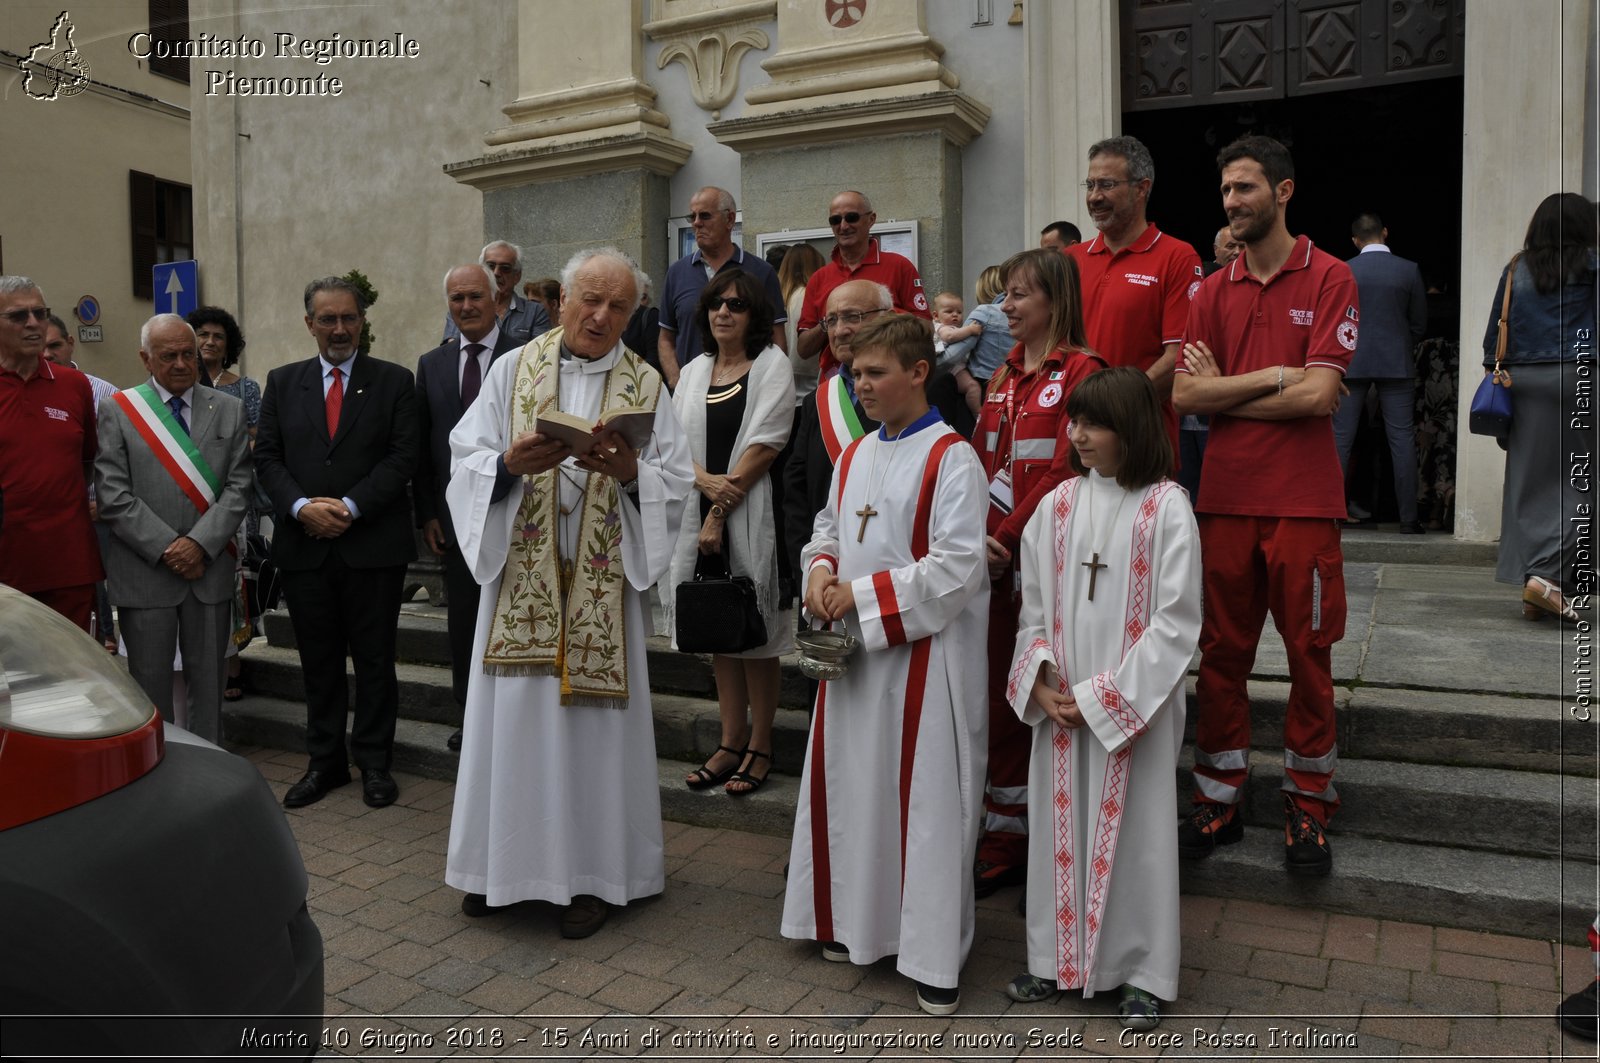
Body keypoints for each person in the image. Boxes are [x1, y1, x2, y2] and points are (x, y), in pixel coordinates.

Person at [443, 247, 693, 938]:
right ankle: (500, 871)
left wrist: (633, 475)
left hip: (600, 595)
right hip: (521, 587)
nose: (600, 315)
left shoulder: (647, 386)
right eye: (589, 298)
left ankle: (593, 877)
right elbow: (464, 457)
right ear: (562, 300)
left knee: (591, 741)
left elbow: (674, 486)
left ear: (634, 313)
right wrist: (503, 466)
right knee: (511, 730)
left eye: (618, 305)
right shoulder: (511, 370)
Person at [782, 312, 989, 1017]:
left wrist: (859, 596)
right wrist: (818, 570)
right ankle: (853, 924)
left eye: (874, 373)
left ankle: (932, 953)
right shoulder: (855, 454)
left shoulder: (952, 456)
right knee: (854, 788)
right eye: (854, 374)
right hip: (854, 661)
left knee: (924, 803)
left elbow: (958, 569)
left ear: (917, 372)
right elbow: (829, 526)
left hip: (923, 666)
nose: (860, 385)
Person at [1173, 134, 1358, 876]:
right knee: (1221, 653)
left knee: (1310, 656)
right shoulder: (1209, 292)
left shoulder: (1332, 275)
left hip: (1305, 504)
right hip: (1224, 499)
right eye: (1225, 191)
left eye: (1245, 188)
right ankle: (1219, 794)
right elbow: (1185, 394)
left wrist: (1236, 389)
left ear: (1283, 191)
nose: (1231, 202)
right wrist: (1281, 376)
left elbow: (1323, 395)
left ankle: (1309, 805)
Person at [1001, 366, 1201, 1030]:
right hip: (1060, 704)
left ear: (1132, 428)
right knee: (1057, 826)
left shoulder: (1166, 506)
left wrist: (1104, 696)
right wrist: (1041, 677)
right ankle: (1052, 958)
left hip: (1130, 706)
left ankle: (1142, 970)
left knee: (1138, 832)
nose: (1077, 434)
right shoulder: (1056, 507)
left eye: (1093, 423)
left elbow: (1177, 622)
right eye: (1074, 421)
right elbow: (1031, 609)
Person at [256, 277, 419, 810]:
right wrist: (303, 508)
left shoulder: (394, 382)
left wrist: (347, 508)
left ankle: (374, 762)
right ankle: (324, 763)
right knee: (318, 663)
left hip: (371, 546)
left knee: (375, 660)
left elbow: (401, 459)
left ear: (362, 320)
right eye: (328, 319)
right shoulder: (281, 383)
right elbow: (268, 460)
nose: (340, 328)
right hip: (305, 549)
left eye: (349, 317)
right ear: (310, 324)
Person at [971, 248, 1105, 899]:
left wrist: (1004, 534)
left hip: (1043, 564)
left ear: (1054, 298)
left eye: (1020, 295)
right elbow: (977, 463)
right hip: (994, 567)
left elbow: (1064, 467)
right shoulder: (1001, 373)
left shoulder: (1081, 369)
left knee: (1044, 694)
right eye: (1005, 296)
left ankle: (1050, 837)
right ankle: (1003, 832)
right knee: (1002, 695)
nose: (1007, 307)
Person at [95, 314, 253, 744]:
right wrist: (169, 547)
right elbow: (112, 494)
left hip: (208, 571)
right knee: (149, 687)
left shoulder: (228, 408)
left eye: (189, 353)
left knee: (209, 685)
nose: (182, 363)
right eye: (169, 356)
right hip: (147, 574)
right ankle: (159, 773)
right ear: (146, 358)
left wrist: (199, 545)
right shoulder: (119, 410)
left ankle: (209, 768)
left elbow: (240, 486)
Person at [668, 270, 795, 794]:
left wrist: (717, 513)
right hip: (694, 511)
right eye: (717, 303)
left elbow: (766, 444)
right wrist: (701, 485)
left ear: (754, 315)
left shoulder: (772, 366)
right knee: (718, 628)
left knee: (755, 632)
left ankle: (760, 745)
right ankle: (729, 740)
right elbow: (672, 445)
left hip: (750, 512)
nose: (725, 312)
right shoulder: (695, 370)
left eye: (737, 305)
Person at [415, 264, 526, 753]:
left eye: (475, 297)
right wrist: (429, 513)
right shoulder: (432, 364)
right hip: (456, 517)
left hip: (518, 512)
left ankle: (517, 716)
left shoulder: (525, 359)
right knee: (463, 621)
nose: (466, 307)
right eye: (457, 298)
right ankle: (470, 716)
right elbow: (426, 448)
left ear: (497, 298)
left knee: (515, 617)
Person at [1482, 192, 1596, 622]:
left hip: (1521, 381)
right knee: (1582, 478)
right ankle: (1546, 578)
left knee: (1528, 482)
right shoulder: (1593, 264)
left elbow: (1495, 332)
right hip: (1578, 378)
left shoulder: (1516, 267)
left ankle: (1541, 580)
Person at [1067, 136, 1203, 465]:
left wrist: (1109, 411)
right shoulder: (1070, 260)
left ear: (1142, 188)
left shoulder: (1177, 257)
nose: (1094, 197)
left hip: (1140, 443)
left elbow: (1179, 357)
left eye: (1107, 185)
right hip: (1072, 440)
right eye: (1090, 185)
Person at [0, 276, 101, 632]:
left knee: (72, 680)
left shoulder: (75, 386)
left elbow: (88, 460)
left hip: (68, 565)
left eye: (39, 313)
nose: (32, 323)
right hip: (6, 568)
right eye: (18, 316)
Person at [783, 280, 888, 604]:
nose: (840, 330)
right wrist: (810, 568)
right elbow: (797, 490)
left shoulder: (923, 388)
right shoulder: (819, 400)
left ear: (886, 317)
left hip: (889, 581)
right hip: (823, 579)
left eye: (853, 317)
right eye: (831, 320)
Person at [1333, 213, 1429, 533]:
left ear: (1355, 241)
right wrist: (1400, 344)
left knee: (1340, 439)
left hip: (1351, 361)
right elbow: (1418, 324)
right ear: (1385, 233)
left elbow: (1333, 321)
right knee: (1401, 439)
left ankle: (1330, 514)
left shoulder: (1342, 270)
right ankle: (1408, 520)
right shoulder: (1409, 269)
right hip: (1396, 363)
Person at [189, 305, 261, 698]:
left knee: (233, 584)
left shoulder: (244, 388)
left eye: (218, 336)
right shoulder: (179, 385)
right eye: (202, 335)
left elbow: (254, 440)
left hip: (232, 499)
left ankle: (233, 664)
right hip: (189, 499)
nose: (210, 342)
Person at [658, 186, 786, 389]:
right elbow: (666, 338)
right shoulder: (676, 273)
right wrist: (677, 382)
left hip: (745, 395)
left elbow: (777, 337)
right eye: (692, 217)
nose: (697, 223)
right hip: (689, 396)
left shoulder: (761, 272)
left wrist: (771, 386)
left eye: (705, 216)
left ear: (729, 220)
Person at [43, 313, 119, 650]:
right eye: (42, 347)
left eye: (54, 345)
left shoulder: (104, 394)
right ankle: (102, 637)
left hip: (100, 509)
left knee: (105, 580)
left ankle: (109, 637)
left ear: (70, 344)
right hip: (55, 518)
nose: (47, 354)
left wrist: (104, 503)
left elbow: (116, 457)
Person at [795, 190, 931, 375]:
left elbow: (926, 328)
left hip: (887, 379)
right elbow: (803, 349)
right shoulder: (819, 278)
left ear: (871, 219)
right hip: (836, 387)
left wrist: (876, 314)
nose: (843, 226)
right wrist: (831, 321)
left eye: (851, 217)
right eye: (835, 220)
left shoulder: (900, 266)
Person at [442, 241, 552, 347]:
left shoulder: (535, 312)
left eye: (505, 268)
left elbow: (539, 354)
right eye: (490, 266)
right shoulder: (463, 309)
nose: (496, 273)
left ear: (517, 276)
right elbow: (452, 351)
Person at [937, 266, 1012, 389]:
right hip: (1014, 382)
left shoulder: (984, 312)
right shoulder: (1021, 312)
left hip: (985, 382)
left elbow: (952, 356)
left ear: (984, 289)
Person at [931, 291, 983, 418]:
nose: (955, 315)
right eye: (949, 312)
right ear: (936, 315)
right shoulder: (940, 327)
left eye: (959, 312)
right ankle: (978, 414)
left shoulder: (957, 328)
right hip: (945, 367)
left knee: (973, 387)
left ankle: (977, 414)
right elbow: (949, 337)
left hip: (957, 368)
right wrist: (970, 330)